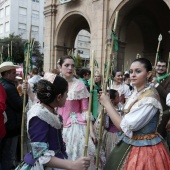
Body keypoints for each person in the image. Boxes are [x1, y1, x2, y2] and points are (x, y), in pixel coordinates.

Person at [99, 58, 170, 169]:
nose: (133, 75)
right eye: (131, 71)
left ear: (149, 74)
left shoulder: (149, 99)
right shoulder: (138, 91)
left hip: (144, 149)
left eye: (138, 71)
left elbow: (124, 126)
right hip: (129, 142)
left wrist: (108, 104)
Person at [15, 73, 90, 170]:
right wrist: (72, 165)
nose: (67, 97)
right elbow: (40, 155)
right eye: (66, 93)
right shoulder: (39, 116)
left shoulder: (49, 109)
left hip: (57, 162)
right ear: (59, 97)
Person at [57, 56, 97, 169]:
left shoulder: (79, 84)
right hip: (56, 123)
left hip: (75, 125)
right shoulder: (54, 83)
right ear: (60, 67)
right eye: (67, 65)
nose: (70, 68)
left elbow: (85, 110)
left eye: (72, 65)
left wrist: (92, 132)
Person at [0, 61, 23, 170]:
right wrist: (24, 95)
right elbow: (19, 105)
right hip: (11, 126)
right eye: (14, 73)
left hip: (7, 125)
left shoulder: (4, 84)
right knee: (9, 155)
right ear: (7, 74)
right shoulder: (9, 87)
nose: (15, 75)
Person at [152, 59, 170, 147]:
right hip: (150, 110)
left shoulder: (169, 79)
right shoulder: (150, 77)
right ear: (155, 66)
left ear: (166, 68)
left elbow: (167, 95)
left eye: (163, 66)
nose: (160, 68)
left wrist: (156, 85)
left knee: (159, 135)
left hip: (163, 111)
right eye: (159, 66)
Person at [103, 89, 122, 160]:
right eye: (117, 97)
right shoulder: (107, 110)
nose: (119, 98)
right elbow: (106, 125)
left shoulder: (121, 106)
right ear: (112, 100)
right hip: (113, 134)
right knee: (112, 152)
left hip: (121, 133)